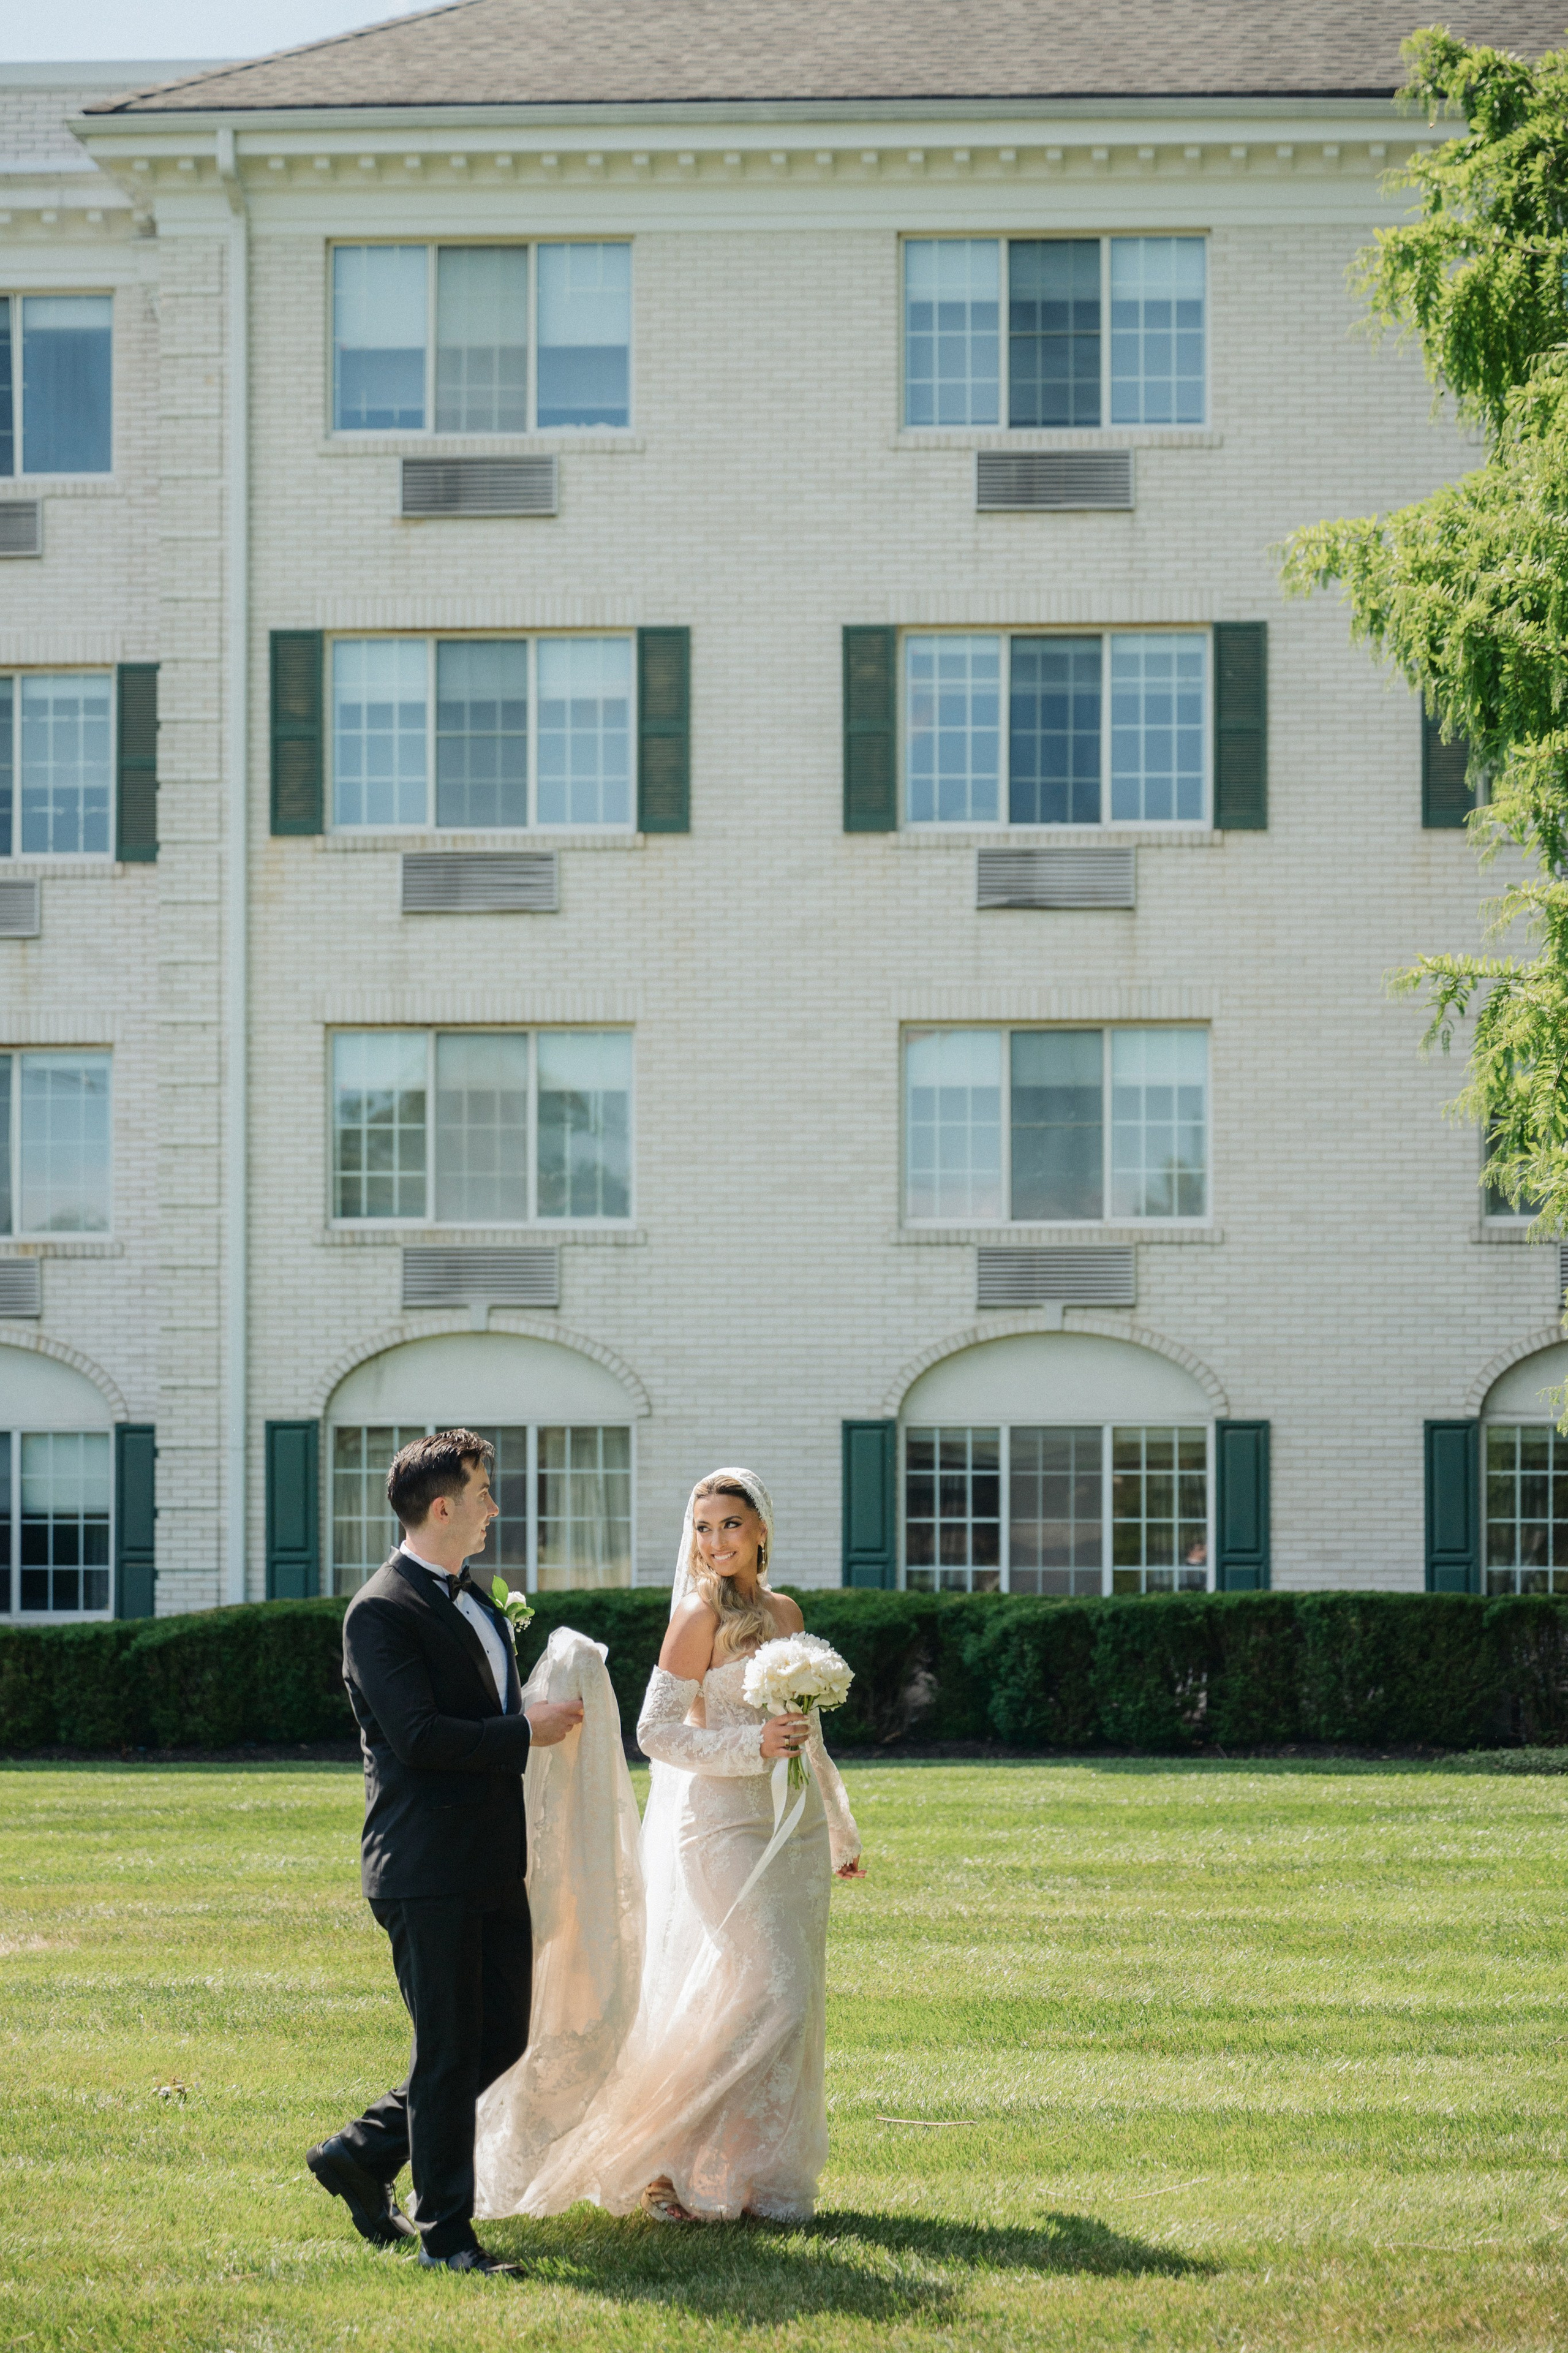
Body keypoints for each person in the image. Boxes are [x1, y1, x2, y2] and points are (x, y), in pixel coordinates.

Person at [476, 1467, 863, 2226]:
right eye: (702, 1526)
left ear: (760, 1529)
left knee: (786, 2001)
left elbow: (808, 1736)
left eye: (728, 1524)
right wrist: (753, 1743)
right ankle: (650, 2158)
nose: (714, 1541)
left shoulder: (786, 1612)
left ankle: (745, 2173)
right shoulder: (694, 1615)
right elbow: (656, 1734)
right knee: (766, 1992)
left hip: (792, 1829)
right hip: (719, 1822)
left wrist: (838, 1825)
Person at [306, 1429, 582, 2277]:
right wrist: (522, 1731)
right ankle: (449, 2240)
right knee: (449, 2049)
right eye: (484, 1491)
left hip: (494, 1859)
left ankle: (357, 2153)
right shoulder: (381, 1610)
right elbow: (418, 1738)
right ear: (442, 1507)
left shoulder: (479, 1602)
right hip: (425, 1868)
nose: (495, 1506)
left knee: (500, 2036)